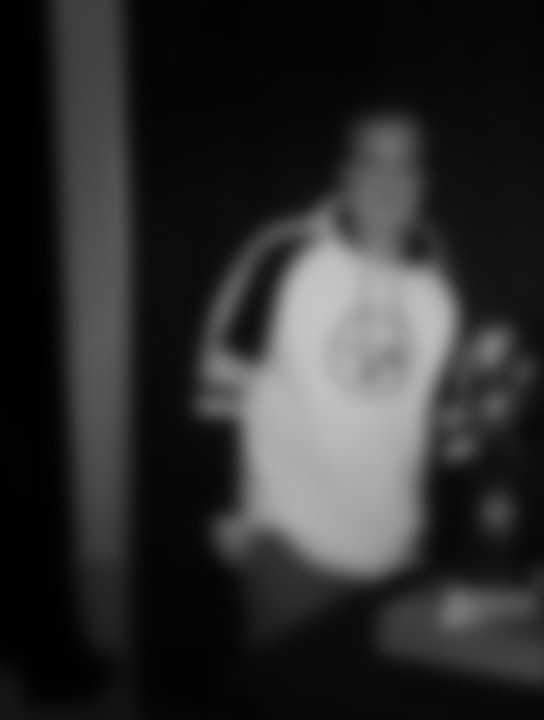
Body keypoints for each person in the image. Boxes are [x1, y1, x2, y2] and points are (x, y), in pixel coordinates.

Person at [192, 105, 463, 650]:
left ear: (425, 181)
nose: (389, 180)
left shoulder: (440, 289)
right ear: (344, 174)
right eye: (372, 161)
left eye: (406, 164)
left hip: (395, 561)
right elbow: (217, 393)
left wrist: (423, 536)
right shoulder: (284, 255)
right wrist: (225, 513)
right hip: (291, 556)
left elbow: (432, 424)